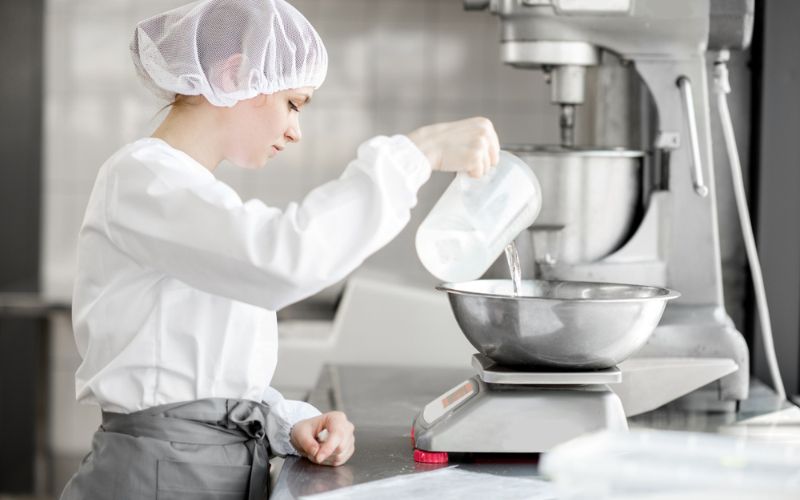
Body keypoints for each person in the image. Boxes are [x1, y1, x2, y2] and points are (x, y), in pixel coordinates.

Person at [60, 0, 499, 499]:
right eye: (293, 103)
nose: (296, 130)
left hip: (201, 470)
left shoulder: (193, 192)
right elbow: (285, 257)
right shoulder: (142, 177)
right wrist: (418, 154)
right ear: (235, 74)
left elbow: (204, 377)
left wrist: (286, 422)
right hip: (160, 477)